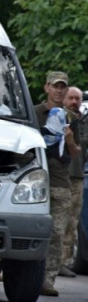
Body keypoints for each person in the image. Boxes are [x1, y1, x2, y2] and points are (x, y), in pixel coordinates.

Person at [34, 71, 79, 296]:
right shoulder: (35, 113)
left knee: (57, 233)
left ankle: (47, 280)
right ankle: (17, 270)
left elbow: (78, 153)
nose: (59, 90)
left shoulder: (72, 117)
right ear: (47, 88)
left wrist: (70, 140)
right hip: (35, 180)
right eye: (55, 86)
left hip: (61, 181)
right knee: (30, 228)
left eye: (63, 86)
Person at [63, 86, 87, 275]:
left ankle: (63, 262)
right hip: (60, 175)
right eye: (71, 98)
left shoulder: (84, 122)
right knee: (57, 221)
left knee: (72, 221)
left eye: (77, 99)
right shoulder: (57, 117)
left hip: (78, 177)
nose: (74, 102)